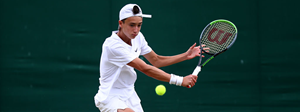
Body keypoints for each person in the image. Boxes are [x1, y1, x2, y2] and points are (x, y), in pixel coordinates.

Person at [94, 4, 209, 112]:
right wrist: (180, 80)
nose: (136, 30)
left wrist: (185, 56)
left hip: (130, 94)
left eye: (139, 25)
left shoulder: (138, 38)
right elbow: (145, 68)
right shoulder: (112, 46)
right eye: (132, 25)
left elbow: (156, 60)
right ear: (121, 23)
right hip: (110, 96)